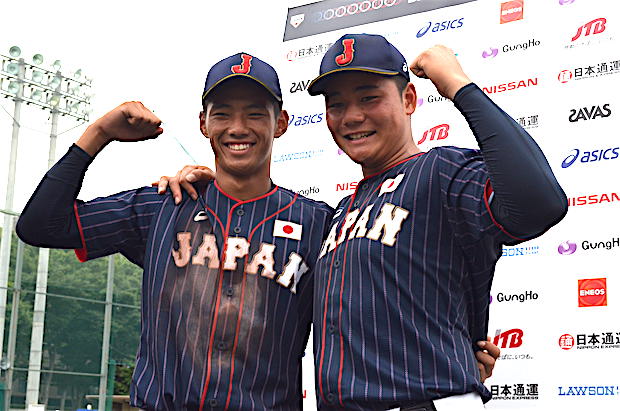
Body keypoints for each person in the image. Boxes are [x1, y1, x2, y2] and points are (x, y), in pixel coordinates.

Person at [161, 35, 566, 410]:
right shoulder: (338, 214)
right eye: (336, 105)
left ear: (409, 98)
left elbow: (539, 203)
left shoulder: (441, 171)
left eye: (369, 98)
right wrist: (218, 187)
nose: (352, 116)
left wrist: (458, 84)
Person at [16, 53, 335, 410]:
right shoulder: (163, 206)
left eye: (255, 113)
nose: (238, 127)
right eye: (222, 113)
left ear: (281, 123)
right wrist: (99, 133)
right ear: (203, 123)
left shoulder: (318, 224)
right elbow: (40, 226)